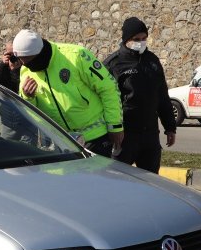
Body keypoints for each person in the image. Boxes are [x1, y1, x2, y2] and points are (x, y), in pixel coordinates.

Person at [10, 29, 123, 157]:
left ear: (39, 53)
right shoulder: (26, 70)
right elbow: (32, 116)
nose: (26, 65)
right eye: (22, 61)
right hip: (60, 144)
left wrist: (115, 126)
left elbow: (108, 88)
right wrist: (28, 97)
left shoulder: (76, 56)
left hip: (95, 138)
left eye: (29, 60)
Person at [104, 17, 176, 173]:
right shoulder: (114, 64)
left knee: (151, 181)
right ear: (126, 40)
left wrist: (170, 127)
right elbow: (105, 100)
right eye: (136, 39)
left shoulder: (153, 61)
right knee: (117, 181)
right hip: (124, 136)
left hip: (150, 135)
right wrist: (113, 131)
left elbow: (162, 96)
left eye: (144, 39)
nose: (141, 42)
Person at [0, 42, 35, 144]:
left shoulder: (27, 67)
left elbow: (20, 88)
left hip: (27, 117)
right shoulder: (4, 68)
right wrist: (3, 64)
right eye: (10, 54)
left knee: (29, 148)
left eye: (16, 55)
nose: (14, 58)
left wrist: (16, 69)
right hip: (9, 117)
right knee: (7, 146)